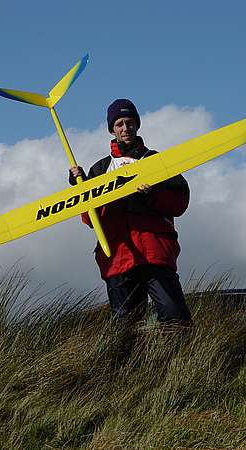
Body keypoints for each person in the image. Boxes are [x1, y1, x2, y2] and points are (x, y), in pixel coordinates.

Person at [69, 99, 191, 325]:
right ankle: (133, 362)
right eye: (120, 124)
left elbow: (180, 203)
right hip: (118, 257)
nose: (126, 128)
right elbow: (89, 220)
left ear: (137, 125)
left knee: (176, 319)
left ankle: (178, 361)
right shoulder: (100, 169)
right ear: (112, 129)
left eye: (130, 122)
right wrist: (82, 190)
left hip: (155, 253)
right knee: (126, 329)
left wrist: (152, 194)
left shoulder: (158, 161)